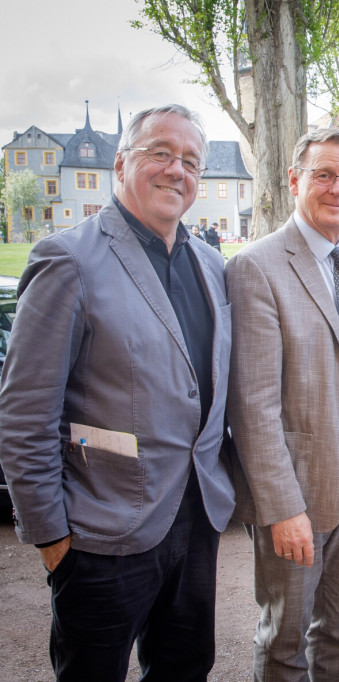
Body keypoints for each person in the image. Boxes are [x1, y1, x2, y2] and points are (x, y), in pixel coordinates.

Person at [0, 104, 234, 680]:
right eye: (160, 152)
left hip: (195, 519)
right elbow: (26, 415)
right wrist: (52, 536)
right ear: (122, 163)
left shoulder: (210, 263)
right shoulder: (69, 259)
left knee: (184, 668)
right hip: (100, 531)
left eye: (189, 161)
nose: (175, 170)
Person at [226, 128, 339, 681]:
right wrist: (281, 507)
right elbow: (253, 407)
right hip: (297, 486)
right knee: (284, 640)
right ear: (294, 178)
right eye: (323, 174)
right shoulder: (256, 267)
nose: (337, 189)